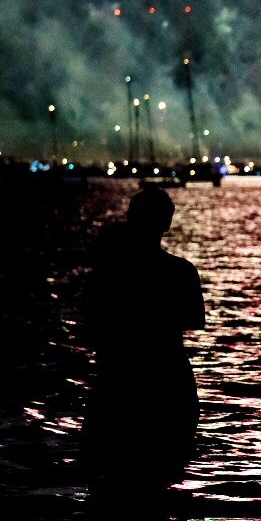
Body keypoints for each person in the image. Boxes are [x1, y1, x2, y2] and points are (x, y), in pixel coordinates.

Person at [84, 186, 206, 485]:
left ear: (130, 219)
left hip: (118, 377)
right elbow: (194, 319)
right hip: (169, 377)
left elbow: (92, 321)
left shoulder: (109, 271)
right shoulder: (182, 271)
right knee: (168, 472)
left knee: (107, 476)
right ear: (166, 223)